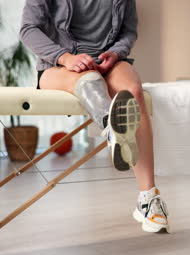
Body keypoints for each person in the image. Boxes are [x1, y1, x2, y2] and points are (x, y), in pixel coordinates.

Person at [20, 0, 169, 233]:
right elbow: (28, 29)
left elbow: (128, 31)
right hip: (58, 66)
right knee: (89, 82)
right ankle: (111, 128)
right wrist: (65, 57)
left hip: (108, 62)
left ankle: (148, 199)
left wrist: (116, 52)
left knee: (134, 93)